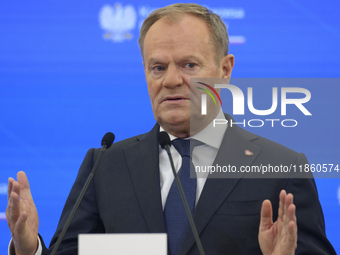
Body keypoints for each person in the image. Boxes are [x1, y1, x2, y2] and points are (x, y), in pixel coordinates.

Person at [6, 3, 336, 255]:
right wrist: (28, 247)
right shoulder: (105, 165)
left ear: (224, 69)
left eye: (188, 65)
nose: (171, 80)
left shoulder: (280, 167)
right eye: (158, 67)